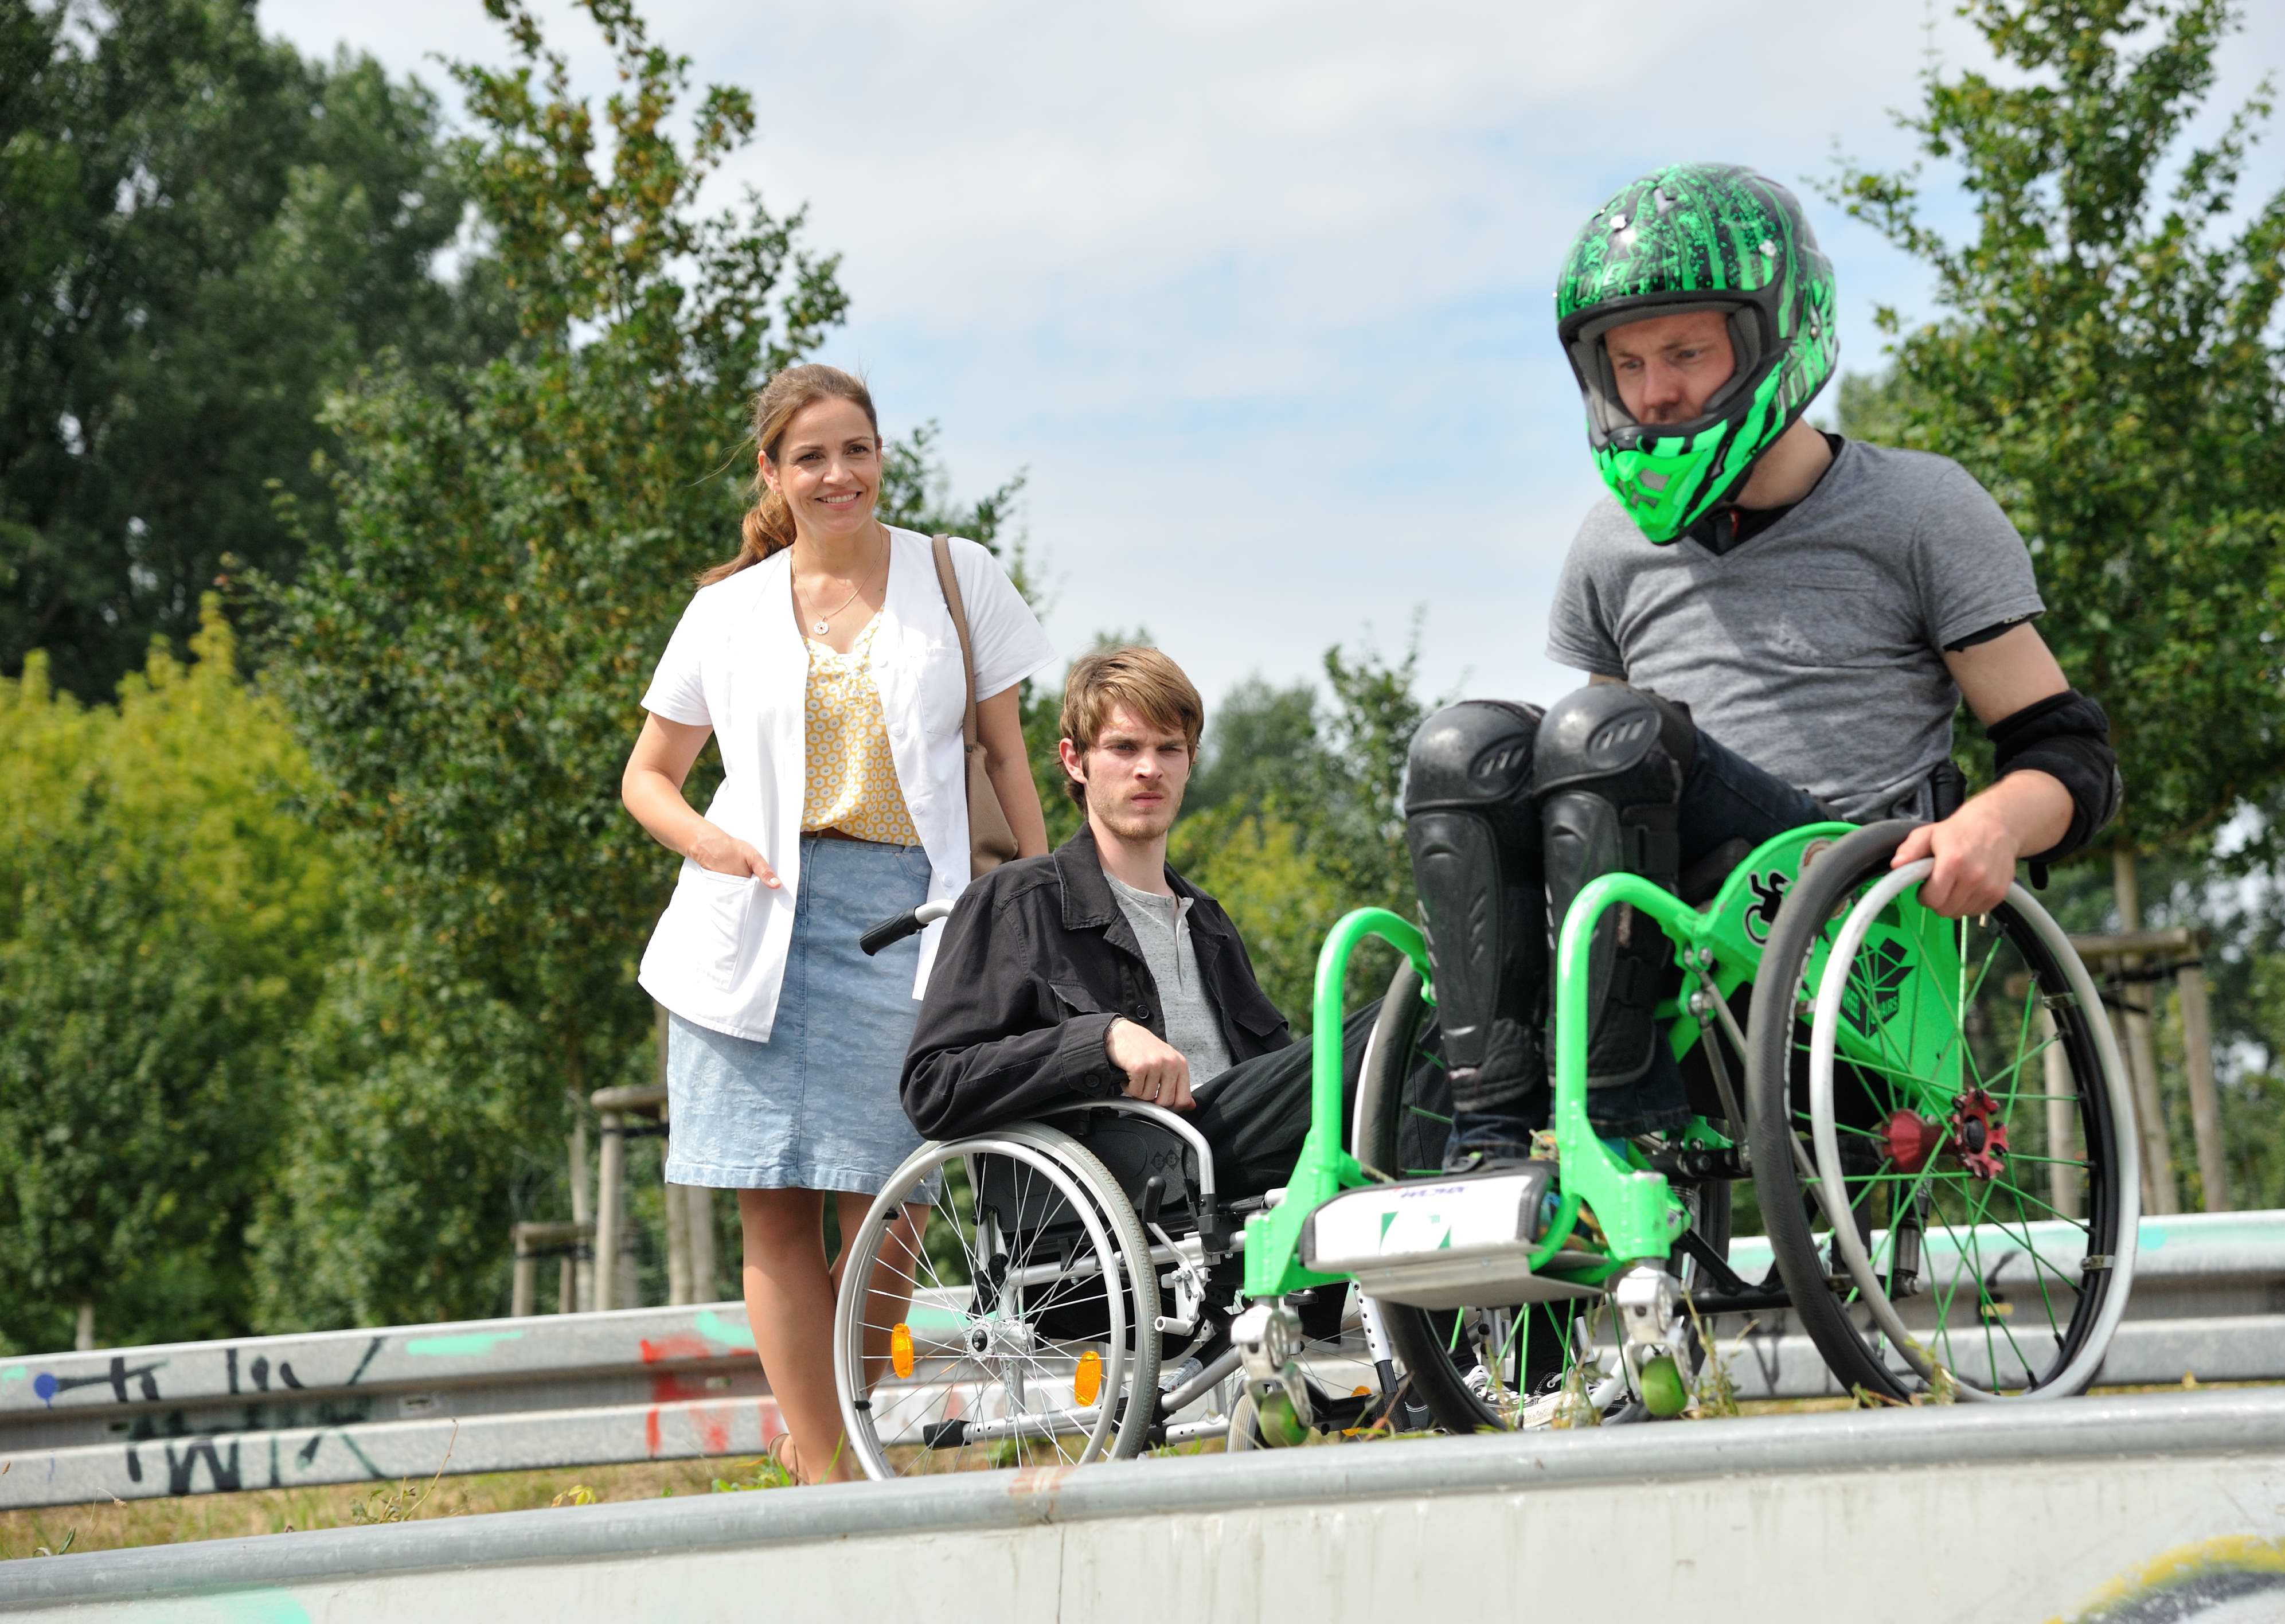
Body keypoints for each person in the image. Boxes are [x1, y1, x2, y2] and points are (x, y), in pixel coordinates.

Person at [1407, 162, 2123, 1169]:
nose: (1654, 393)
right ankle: (1487, 1139)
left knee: (1603, 734)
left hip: (1842, 937)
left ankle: (1618, 1114)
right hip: (1657, 938)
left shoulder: (1920, 510)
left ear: (1775, 336)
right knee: (1462, 747)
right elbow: (1582, 785)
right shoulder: (1610, 546)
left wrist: (1994, 822)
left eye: (1686, 352)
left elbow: (2072, 752)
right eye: (1627, 364)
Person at [620, 363, 1056, 1482]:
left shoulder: (956, 576)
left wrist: (1049, 901)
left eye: (854, 449)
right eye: (810, 456)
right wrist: (706, 843)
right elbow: (649, 778)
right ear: (773, 473)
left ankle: (835, 1414)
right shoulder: (724, 613)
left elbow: (1005, 753)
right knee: (773, 1208)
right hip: (755, 918)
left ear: (880, 457)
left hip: (914, 920)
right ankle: (830, 1473)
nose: (837, 474)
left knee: (897, 1202)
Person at [901, 646, 1370, 1203]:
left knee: (1414, 1028)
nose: (1148, 768)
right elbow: (934, 1087)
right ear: (1075, 761)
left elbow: (1272, 1075)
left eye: (1168, 749)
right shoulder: (1016, 903)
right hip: (1140, 1176)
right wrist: (1098, 1040)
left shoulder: (1210, 925)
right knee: (1392, 1027)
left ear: (1190, 762)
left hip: (1252, 1172)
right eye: (1123, 748)